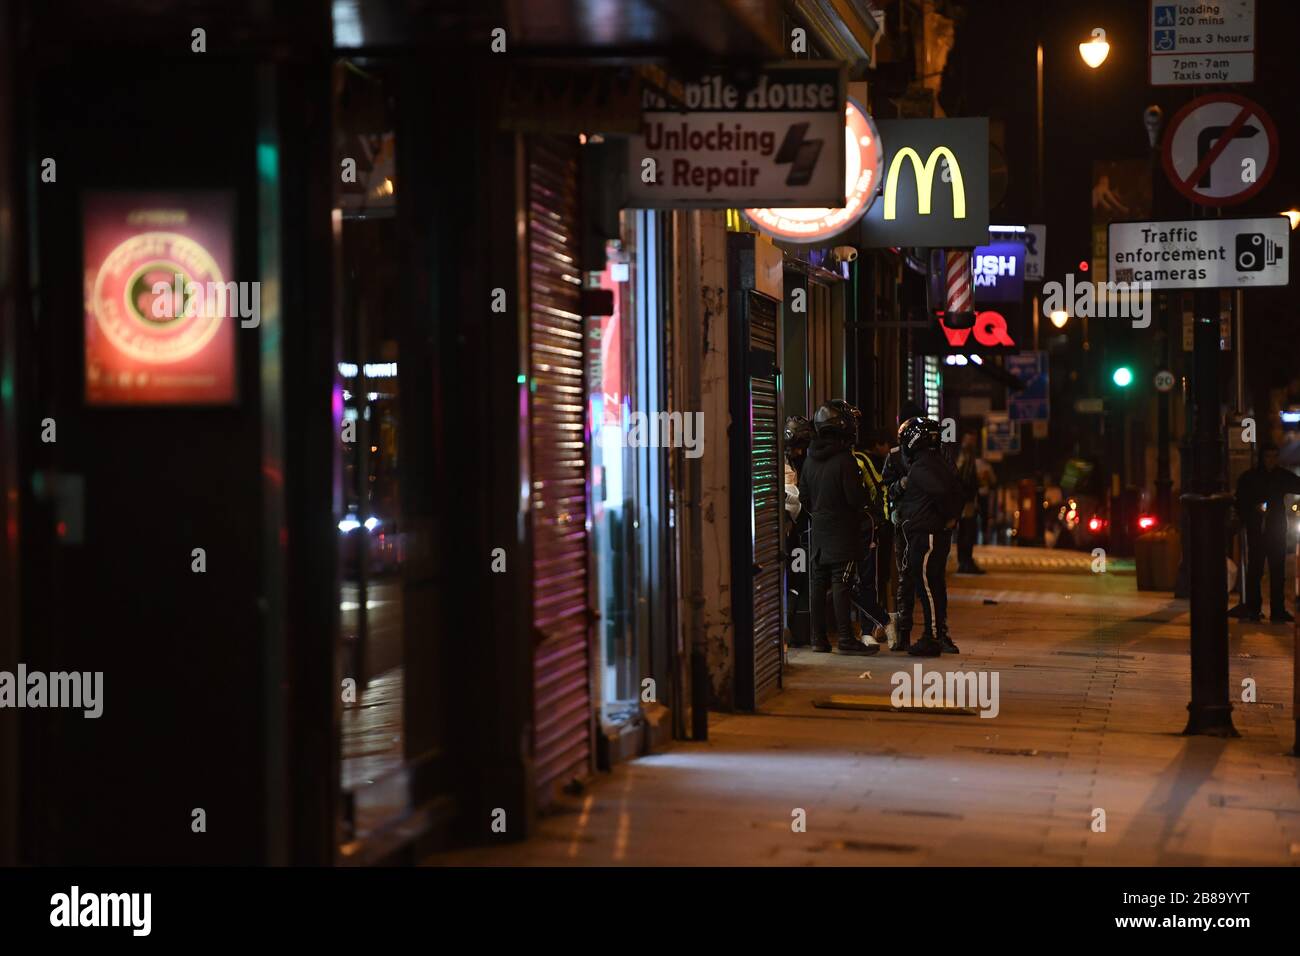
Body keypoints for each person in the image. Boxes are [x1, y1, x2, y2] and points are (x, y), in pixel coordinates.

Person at [798, 401, 875, 655]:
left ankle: (818, 639)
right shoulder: (845, 460)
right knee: (842, 583)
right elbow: (856, 499)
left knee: (818, 584)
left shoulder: (809, 460)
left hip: (818, 531)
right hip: (843, 532)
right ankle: (845, 638)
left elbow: (804, 498)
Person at [888, 416, 967, 656]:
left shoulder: (923, 466)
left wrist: (948, 517)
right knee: (931, 583)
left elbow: (944, 493)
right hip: (929, 532)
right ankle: (931, 634)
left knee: (926, 585)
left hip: (926, 535)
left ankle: (931, 636)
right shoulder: (936, 462)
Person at [1231, 443, 1300, 623]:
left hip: (1276, 529)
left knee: (1277, 571)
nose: (1272, 460)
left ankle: (1278, 610)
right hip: (1258, 529)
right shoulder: (1250, 478)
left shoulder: (1281, 476)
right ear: (1262, 458)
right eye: (1268, 456)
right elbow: (1240, 502)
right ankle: (1254, 608)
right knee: (1256, 570)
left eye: (1275, 456)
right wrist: (1253, 512)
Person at [783, 416, 814, 646]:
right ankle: (788, 625)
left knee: (798, 577)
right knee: (793, 577)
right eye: (799, 447)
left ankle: (791, 625)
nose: (801, 452)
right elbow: (790, 498)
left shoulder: (797, 463)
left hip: (797, 533)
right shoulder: (781, 463)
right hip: (789, 532)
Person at [954, 432, 985, 574]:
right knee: (967, 531)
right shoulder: (965, 457)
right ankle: (965, 562)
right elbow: (963, 478)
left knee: (967, 531)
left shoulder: (967, 457)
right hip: (966, 501)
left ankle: (965, 561)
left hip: (966, 500)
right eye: (970, 440)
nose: (973, 443)